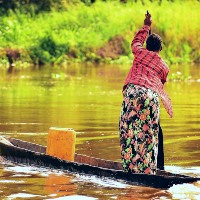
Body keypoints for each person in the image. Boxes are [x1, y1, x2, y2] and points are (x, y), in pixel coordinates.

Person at [119, 12, 173, 174]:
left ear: (147, 46)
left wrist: (146, 25)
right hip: (151, 98)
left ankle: (131, 168)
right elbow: (159, 85)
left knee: (128, 130)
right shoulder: (164, 67)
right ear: (160, 49)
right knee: (149, 134)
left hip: (133, 92)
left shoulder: (139, 52)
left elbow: (136, 41)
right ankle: (148, 170)